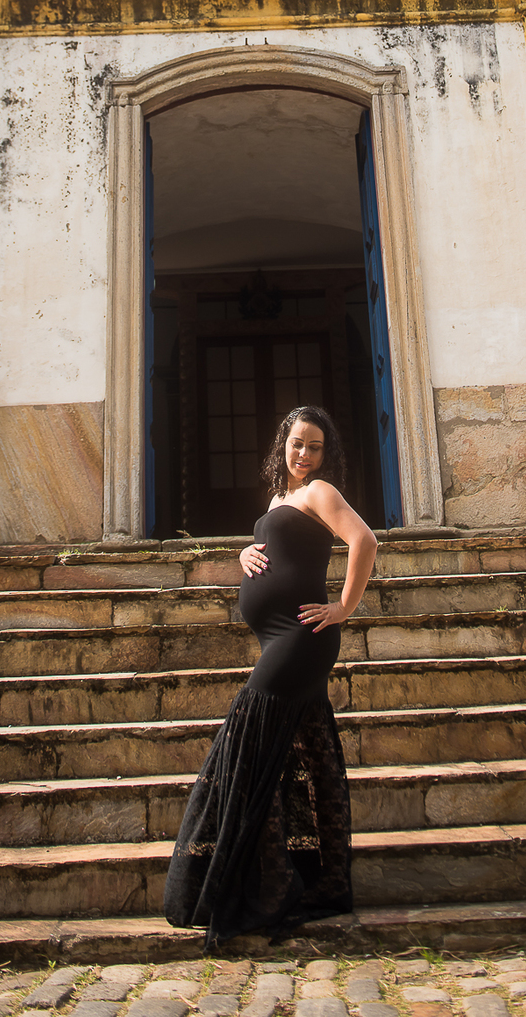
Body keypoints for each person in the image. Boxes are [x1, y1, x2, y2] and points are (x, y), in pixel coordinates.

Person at [164, 404, 378, 948]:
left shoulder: (320, 492)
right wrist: (244, 551)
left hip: (301, 639)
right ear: (282, 442)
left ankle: (243, 881)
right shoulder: (278, 501)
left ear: (326, 455)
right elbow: (279, 549)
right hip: (278, 636)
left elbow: (365, 542)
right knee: (297, 757)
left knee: (247, 738)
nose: (305, 455)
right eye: (298, 443)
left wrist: (344, 608)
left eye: (315, 447)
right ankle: (298, 877)